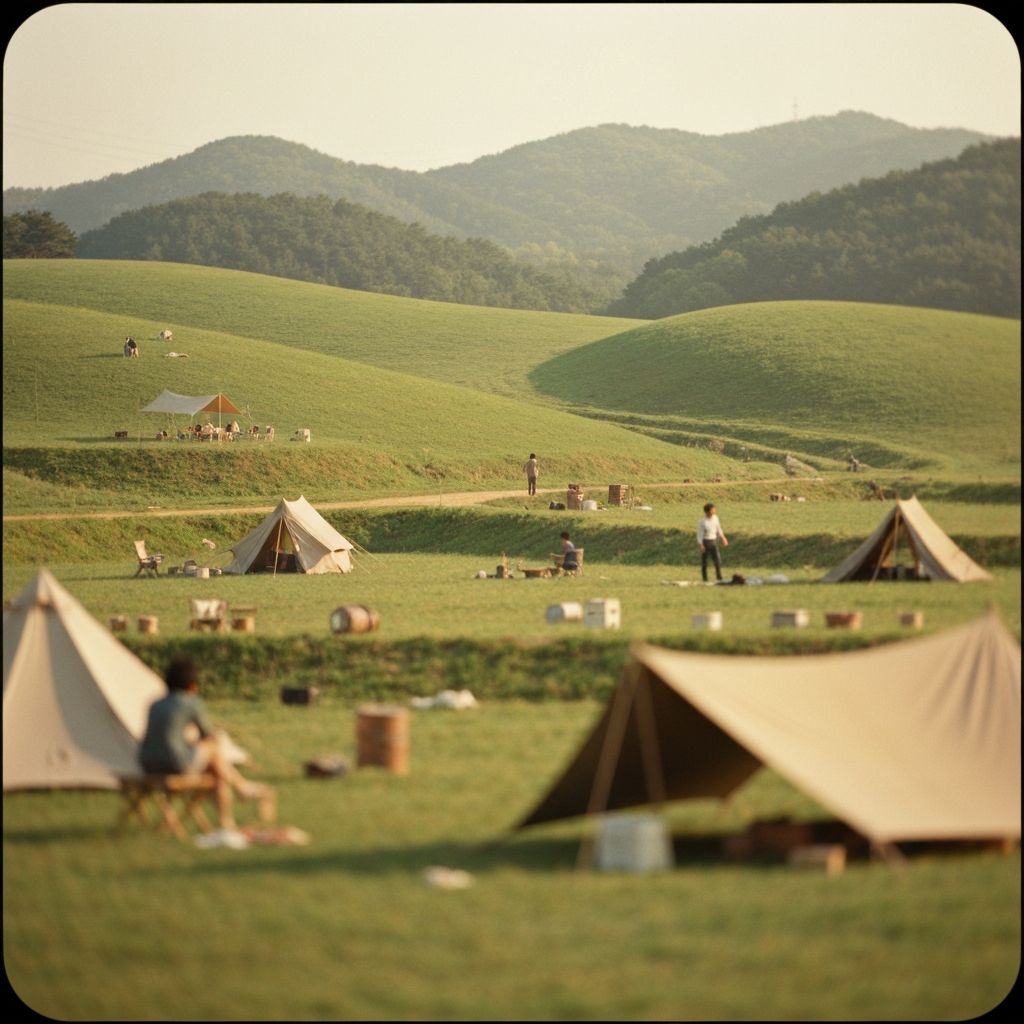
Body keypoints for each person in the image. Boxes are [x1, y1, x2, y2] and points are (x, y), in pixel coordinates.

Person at [138, 656, 274, 830]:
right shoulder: (190, 702)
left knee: (216, 770)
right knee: (214, 750)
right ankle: (240, 792)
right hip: (174, 763)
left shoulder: (154, 704)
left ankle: (236, 802)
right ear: (192, 685)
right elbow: (209, 736)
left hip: (146, 763)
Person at [697, 502, 729, 582]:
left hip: (713, 541)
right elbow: (700, 534)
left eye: (714, 509)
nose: (714, 511)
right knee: (705, 562)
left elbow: (718, 529)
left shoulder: (715, 518)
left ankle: (719, 578)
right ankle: (705, 579)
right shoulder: (703, 522)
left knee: (717, 560)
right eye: (712, 510)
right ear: (707, 512)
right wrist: (701, 545)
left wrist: (723, 538)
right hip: (705, 542)